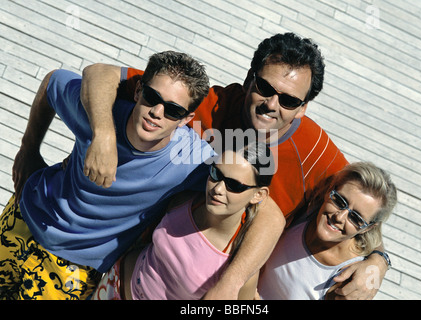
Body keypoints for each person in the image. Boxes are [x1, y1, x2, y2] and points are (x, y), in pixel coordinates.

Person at [79, 33, 390, 299]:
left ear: (303, 108)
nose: (272, 104)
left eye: (289, 101)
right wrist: (103, 134)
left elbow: (360, 206)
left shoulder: (315, 151)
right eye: (265, 88)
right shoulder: (213, 105)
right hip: (142, 268)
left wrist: (378, 261)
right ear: (248, 79)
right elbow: (100, 73)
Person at [0, 51, 215, 300]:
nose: (157, 111)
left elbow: (251, 190)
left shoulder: (192, 159)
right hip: (24, 217)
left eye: (173, 110)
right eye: (152, 96)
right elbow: (53, 82)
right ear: (138, 91)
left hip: (73, 268)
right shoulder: (99, 113)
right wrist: (29, 149)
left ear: (186, 119)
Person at [92, 142, 274, 300]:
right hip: (113, 284)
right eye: (216, 174)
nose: (218, 188)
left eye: (234, 185)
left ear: (258, 195)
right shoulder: (185, 201)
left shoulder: (240, 264)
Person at [257, 162, 397, 299]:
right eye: (340, 201)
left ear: (367, 228)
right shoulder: (307, 209)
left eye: (355, 218)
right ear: (330, 190)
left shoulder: (348, 278)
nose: (340, 217)